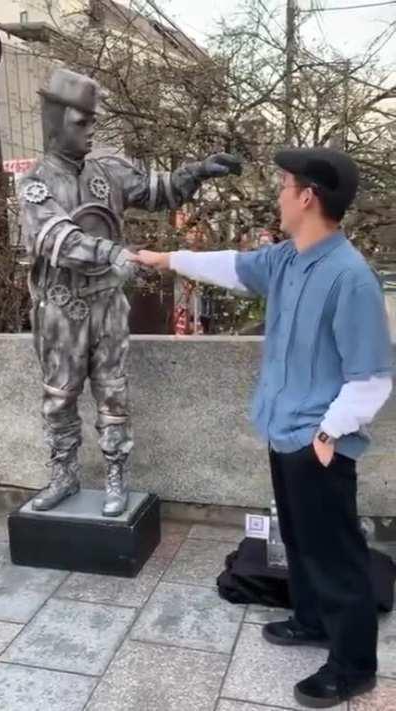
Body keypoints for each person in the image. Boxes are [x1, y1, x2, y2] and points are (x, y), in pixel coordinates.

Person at [131, 147, 393, 708]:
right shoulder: (287, 259)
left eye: (283, 186)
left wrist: (328, 435)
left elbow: (371, 376)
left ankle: (353, 666)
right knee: (299, 539)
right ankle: (311, 618)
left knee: (335, 552)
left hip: (318, 439)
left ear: (308, 197)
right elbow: (230, 265)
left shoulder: (351, 278)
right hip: (280, 428)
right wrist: (163, 258)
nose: (278, 194)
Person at [19, 67, 241, 517]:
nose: (90, 129)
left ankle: (117, 475)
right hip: (62, 308)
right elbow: (58, 239)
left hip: (107, 305)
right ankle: (63, 475)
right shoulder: (36, 183)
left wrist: (196, 173)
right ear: (55, 121)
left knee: (113, 392)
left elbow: (158, 192)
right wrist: (114, 252)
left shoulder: (109, 171)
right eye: (81, 122)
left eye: (92, 121)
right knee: (60, 396)